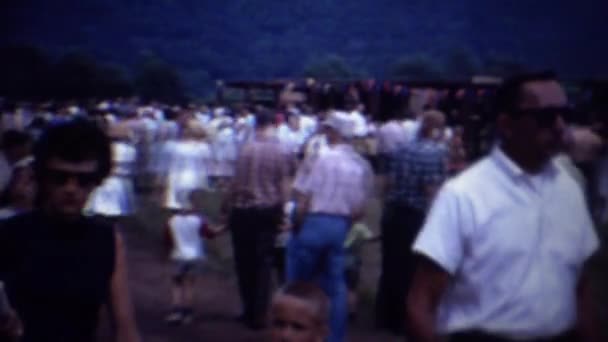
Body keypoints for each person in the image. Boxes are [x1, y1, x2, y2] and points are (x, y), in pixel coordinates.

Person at [407, 72, 601, 342]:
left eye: (564, 114)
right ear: (507, 124)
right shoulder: (465, 195)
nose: (559, 126)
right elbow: (421, 301)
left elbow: (581, 287)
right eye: (546, 117)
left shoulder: (569, 190)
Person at [0, 119, 140, 342]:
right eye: (60, 178)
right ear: (43, 177)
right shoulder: (9, 234)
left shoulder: (107, 240)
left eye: (83, 180)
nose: (71, 189)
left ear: (97, 181)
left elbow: (125, 329)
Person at [288, 111, 374, 342]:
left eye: (328, 129)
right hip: (340, 226)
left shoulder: (318, 157)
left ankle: (297, 331)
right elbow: (360, 210)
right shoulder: (362, 165)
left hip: (314, 222)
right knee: (336, 286)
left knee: (299, 284)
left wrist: (296, 223)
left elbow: (302, 196)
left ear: (333, 132)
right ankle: (334, 336)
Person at [376, 109, 448, 335]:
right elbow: (431, 190)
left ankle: (383, 316)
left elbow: (386, 183)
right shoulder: (436, 152)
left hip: (393, 212)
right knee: (411, 270)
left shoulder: (401, 148)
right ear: (436, 129)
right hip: (415, 216)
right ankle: (401, 320)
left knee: (390, 265)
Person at [224, 109, 293, 330]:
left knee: (244, 262)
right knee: (263, 263)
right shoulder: (283, 150)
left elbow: (234, 182)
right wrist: (284, 211)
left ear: (256, 124)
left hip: (242, 209)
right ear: (273, 123)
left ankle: (248, 308)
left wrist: (226, 205)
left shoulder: (245, 148)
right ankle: (260, 313)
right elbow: (284, 184)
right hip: (267, 210)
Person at [164, 190, 223, 326]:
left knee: (177, 285)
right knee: (190, 285)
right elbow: (211, 234)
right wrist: (224, 227)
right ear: (194, 205)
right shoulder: (198, 220)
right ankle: (188, 313)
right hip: (195, 257)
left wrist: (165, 255)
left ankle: (175, 312)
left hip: (178, 256)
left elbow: (167, 241)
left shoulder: (172, 221)